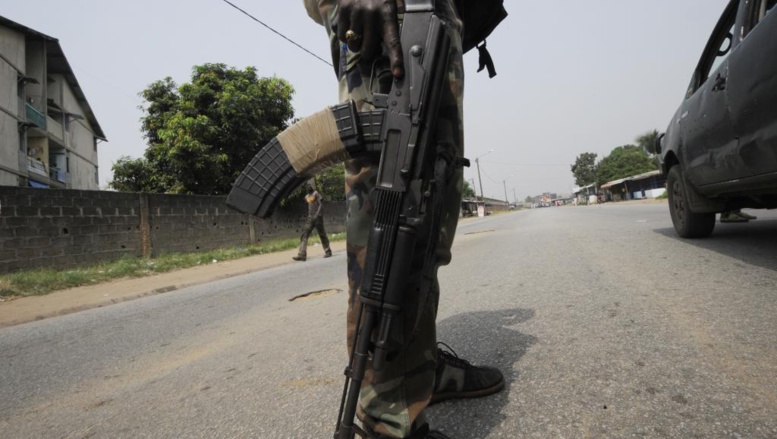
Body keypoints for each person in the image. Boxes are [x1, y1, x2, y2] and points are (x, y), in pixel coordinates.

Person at [304, 1, 505, 438]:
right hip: (383, 21)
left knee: (428, 212)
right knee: (389, 220)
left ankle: (419, 371)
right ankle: (388, 420)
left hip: (436, 22)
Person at [293, 181, 333, 261]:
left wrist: (317, 214)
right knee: (304, 235)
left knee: (322, 234)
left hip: (318, 218)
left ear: (312, 186)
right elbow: (308, 205)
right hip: (310, 218)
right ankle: (302, 254)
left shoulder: (316, 193)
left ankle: (328, 251)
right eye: (307, 186)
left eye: (309, 185)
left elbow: (321, 204)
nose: (308, 187)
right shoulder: (306, 196)